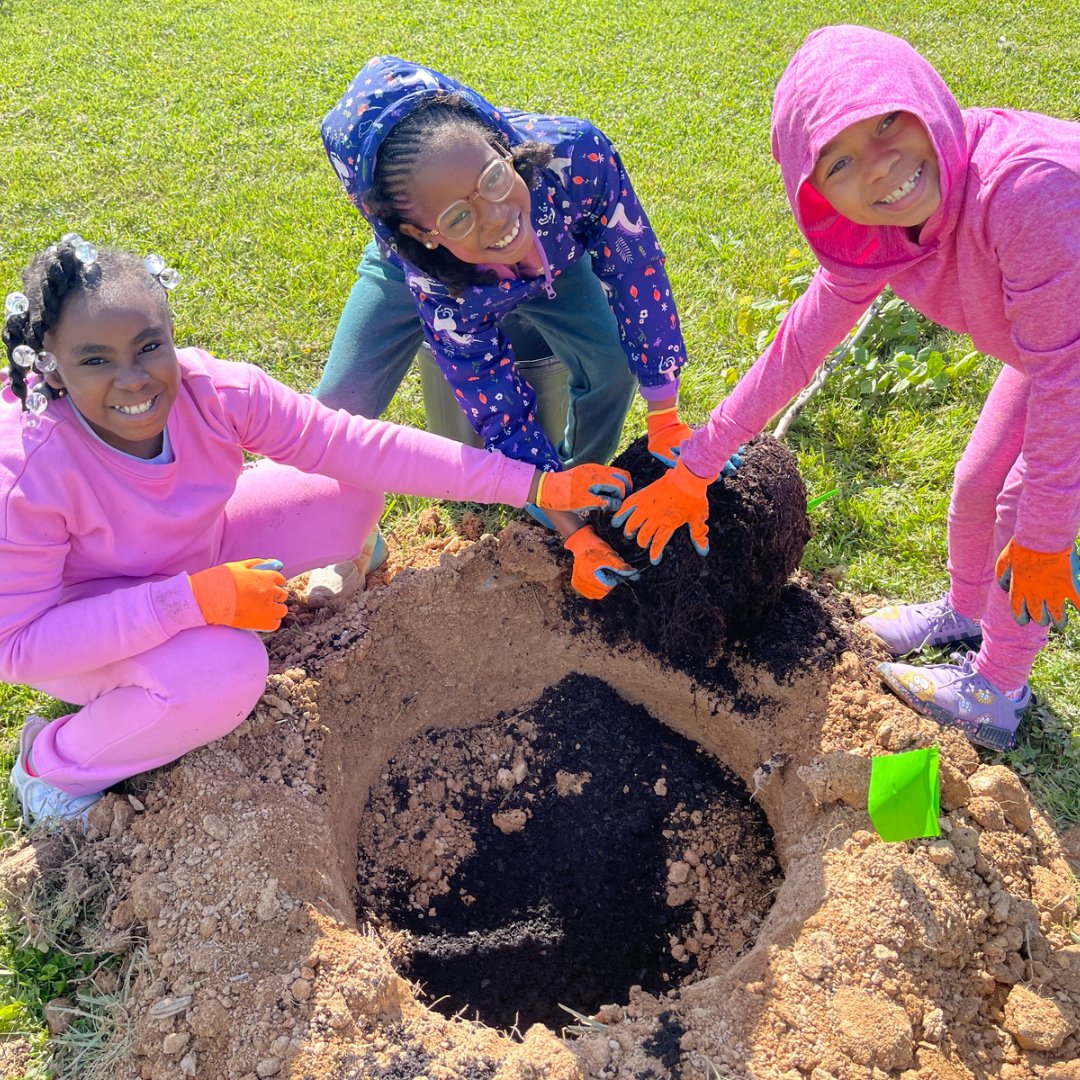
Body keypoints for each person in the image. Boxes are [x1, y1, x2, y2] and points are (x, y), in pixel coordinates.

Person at [0, 236, 632, 825]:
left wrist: (534, 485)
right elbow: (17, 647)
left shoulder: (213, 393)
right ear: (52, 369)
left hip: (192, 557)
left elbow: (351, 442)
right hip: (77, 628)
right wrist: (190, 603)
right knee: (226, 673)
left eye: (148, 346)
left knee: (348, 483)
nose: (134, 379)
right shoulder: (29, 469)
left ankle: (320, 571)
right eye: (95, 360)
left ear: (170, 332)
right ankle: (53, 766)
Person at [613, 25, 1080, 751]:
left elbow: (1066, 386)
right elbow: (797, 348)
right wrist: (694, 467)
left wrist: (1049, 540)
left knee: (1025, 508)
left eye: (890, 121)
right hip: (1052, 340)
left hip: (1066, 359)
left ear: (926, 101)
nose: (883, 163)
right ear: (815, 190)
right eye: (840, 161)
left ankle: (995, 690)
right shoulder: (875, 233)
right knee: (978, 480)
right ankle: (966, 610)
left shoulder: (1028, 192)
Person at [316, 55, 695, 600]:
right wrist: (567, 531)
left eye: (493, 178)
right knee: (335, 411)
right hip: (444, 276)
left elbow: (636, 267)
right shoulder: (430, 276)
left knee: (611, 363)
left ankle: (583, 490)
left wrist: (664, 412)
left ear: (501, 147)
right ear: (421, 232)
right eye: (457, 216)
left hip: (554, 259)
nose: (494, 216)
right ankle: (348, 538)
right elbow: (496, 403)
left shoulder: (575, 160)